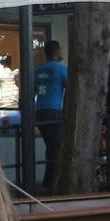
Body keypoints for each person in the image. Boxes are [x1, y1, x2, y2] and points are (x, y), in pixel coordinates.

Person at [32, 41, 68, 183]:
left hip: (39, 111)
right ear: (57, 51)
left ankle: (50, 181)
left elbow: (32, 91)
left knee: (51, 147)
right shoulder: (61, 69)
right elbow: (71, 88)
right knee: (57, 149)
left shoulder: (38, 70)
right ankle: (51, 183)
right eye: (61, 49)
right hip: (53, 111)